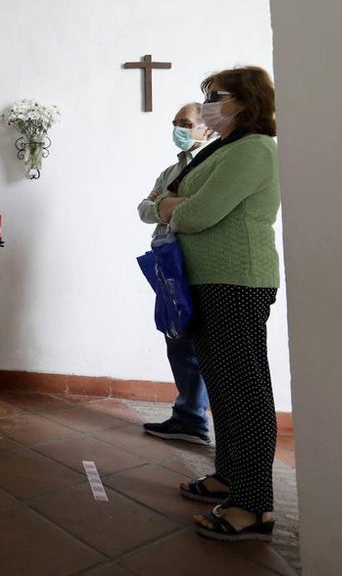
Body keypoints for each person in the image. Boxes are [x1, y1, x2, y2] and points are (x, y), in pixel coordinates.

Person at [155, 65, 281, 542]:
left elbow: (197, 213)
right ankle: (229, 477)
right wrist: (174, 203)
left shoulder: (254, 149)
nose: (206, 102)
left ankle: (253, 504)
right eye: (205, 94)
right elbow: (171, 197)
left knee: (244, 389)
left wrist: (174, 207)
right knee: (223, 386)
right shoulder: (222, 147)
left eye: (215, 94)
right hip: (209, 280)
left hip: (237, 281)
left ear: (246, 102)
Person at [137, 103, 214, 445]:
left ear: (206, 129)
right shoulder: (171, 172)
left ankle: (195, 416)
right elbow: (145, 209)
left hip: (198, 261)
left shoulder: (211, 164)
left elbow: (195, 210)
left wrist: (167, 208)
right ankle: (187, 415)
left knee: (201, 343)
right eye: (175, 123)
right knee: (176, 338)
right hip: (169, 263)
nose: (178, 129)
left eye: (185, 123)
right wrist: (165, 208)